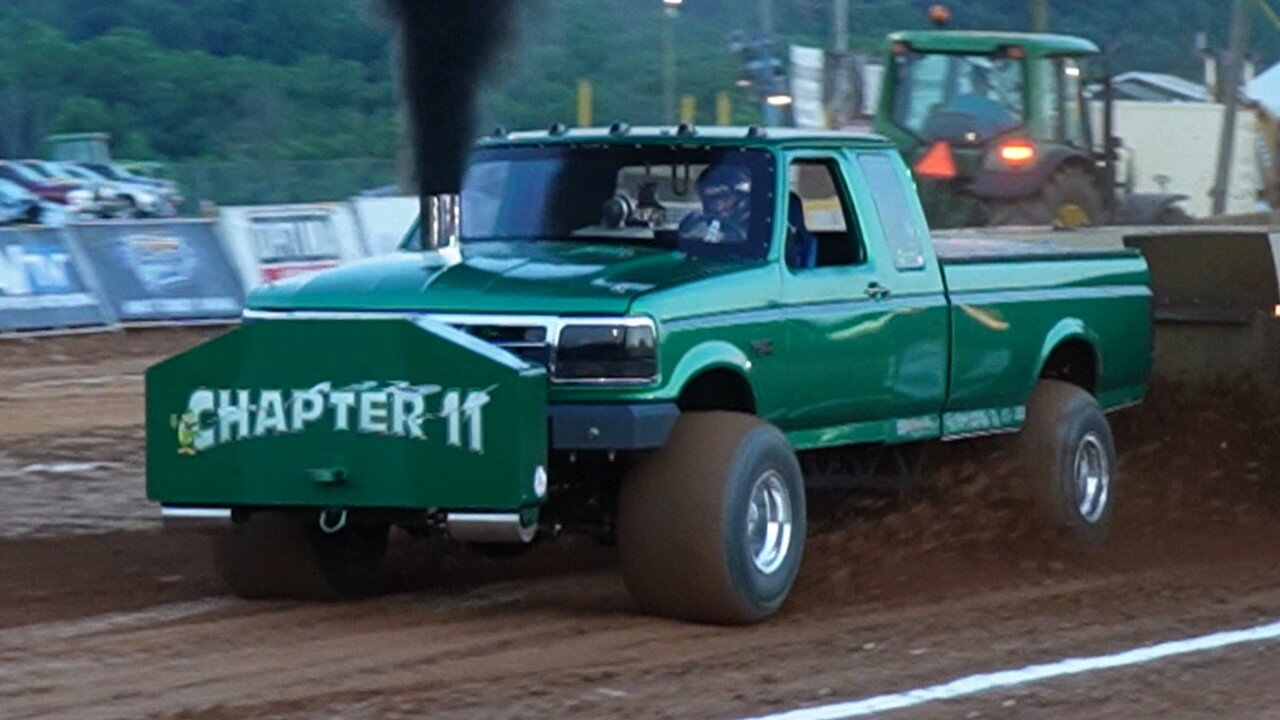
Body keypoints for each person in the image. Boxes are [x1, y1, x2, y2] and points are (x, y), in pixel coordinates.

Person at [678, 163, 753, 246]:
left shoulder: (758, 223)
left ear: (739, 196)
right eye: (708, 199)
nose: (717, 205)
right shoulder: (694, 223)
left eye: (723, 197)